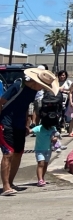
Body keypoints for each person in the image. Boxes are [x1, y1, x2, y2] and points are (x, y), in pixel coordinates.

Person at [1, 68, 59, 197]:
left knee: (18, 153)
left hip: (20, 124)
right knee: (8, 153)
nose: (43, 88)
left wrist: (27, 124)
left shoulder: (33, 92)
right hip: (6, 123)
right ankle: (5, 186)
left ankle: (10, 183)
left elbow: (25, 107)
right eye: (43, 86)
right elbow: (1, 102)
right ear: (35, 82)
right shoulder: (18, 86)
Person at [29, 121, 56, 187]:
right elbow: (30, 131)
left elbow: (56, 136)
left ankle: (42, 178)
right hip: (39, 150)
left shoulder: (53, 128)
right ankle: (40, 180)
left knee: (45, 164)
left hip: (48, 150)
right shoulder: (38, 128)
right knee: (41, 164)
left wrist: (55, 139)